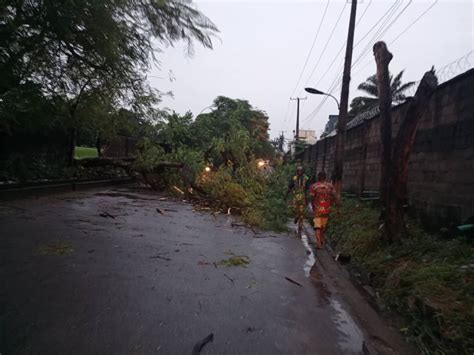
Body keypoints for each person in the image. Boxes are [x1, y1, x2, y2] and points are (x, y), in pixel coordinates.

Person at [309, 171, 338, 249]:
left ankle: (319, 243)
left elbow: (311, 198)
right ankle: (321, 240)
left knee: (317, 227)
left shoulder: (314, 186)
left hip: (317, 210)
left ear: (318, 177)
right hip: (326, 210)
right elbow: (335, 196)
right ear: (325, 177)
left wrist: (312, 207)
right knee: (323, 227)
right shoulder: (330, 186)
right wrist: (337, 206)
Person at [285, 166, 310, 232]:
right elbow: (290, 187)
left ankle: (300, 227)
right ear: (296, 171)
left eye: (301, 171)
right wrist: (286, 195)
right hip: (295, 197)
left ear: (303, 171)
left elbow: (308, 189)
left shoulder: (306, 179)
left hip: (303, 198)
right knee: (293, 209)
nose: (299, 172)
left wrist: (307, 198)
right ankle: (296, 216)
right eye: (298, 171)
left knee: (302, 213)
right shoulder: (294, 178)